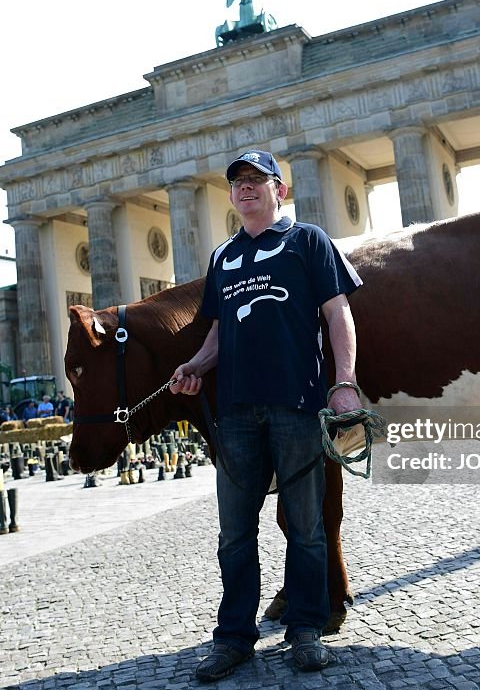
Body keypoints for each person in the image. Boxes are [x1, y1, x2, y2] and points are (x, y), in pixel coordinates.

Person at [171, 150, 362, 681]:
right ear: (231, 195)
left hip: (297, 404)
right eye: (238, 182)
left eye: (258, 180)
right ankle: (234, 638)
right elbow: (217, 333)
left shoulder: (308, 240)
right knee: (234, 533)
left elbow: (337, 313)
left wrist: (343, 384)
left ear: (279, 190)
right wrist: (195, 365)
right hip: (234, 412)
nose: (246, 188)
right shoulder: (222, 256)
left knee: (304, 527)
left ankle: (305, 627)